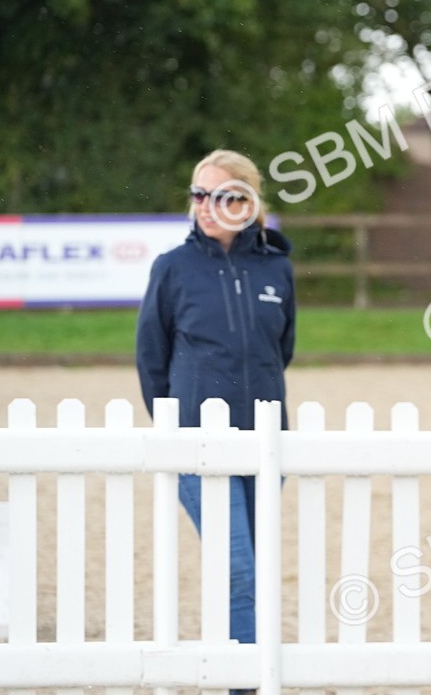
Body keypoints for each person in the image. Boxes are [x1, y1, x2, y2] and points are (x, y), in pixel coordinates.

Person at [136, 150, 295, 681]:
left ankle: (242, 671)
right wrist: (179, 429)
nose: (206, 206)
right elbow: (151, 361)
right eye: (198, 195)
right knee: (238, 571)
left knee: (255, 568)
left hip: (267, 445)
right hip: (198, 447)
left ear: (248, 203)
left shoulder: (276, 266)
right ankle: (245, 681)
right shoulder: (172, 269)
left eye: (222, 195)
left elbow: (282, 348)